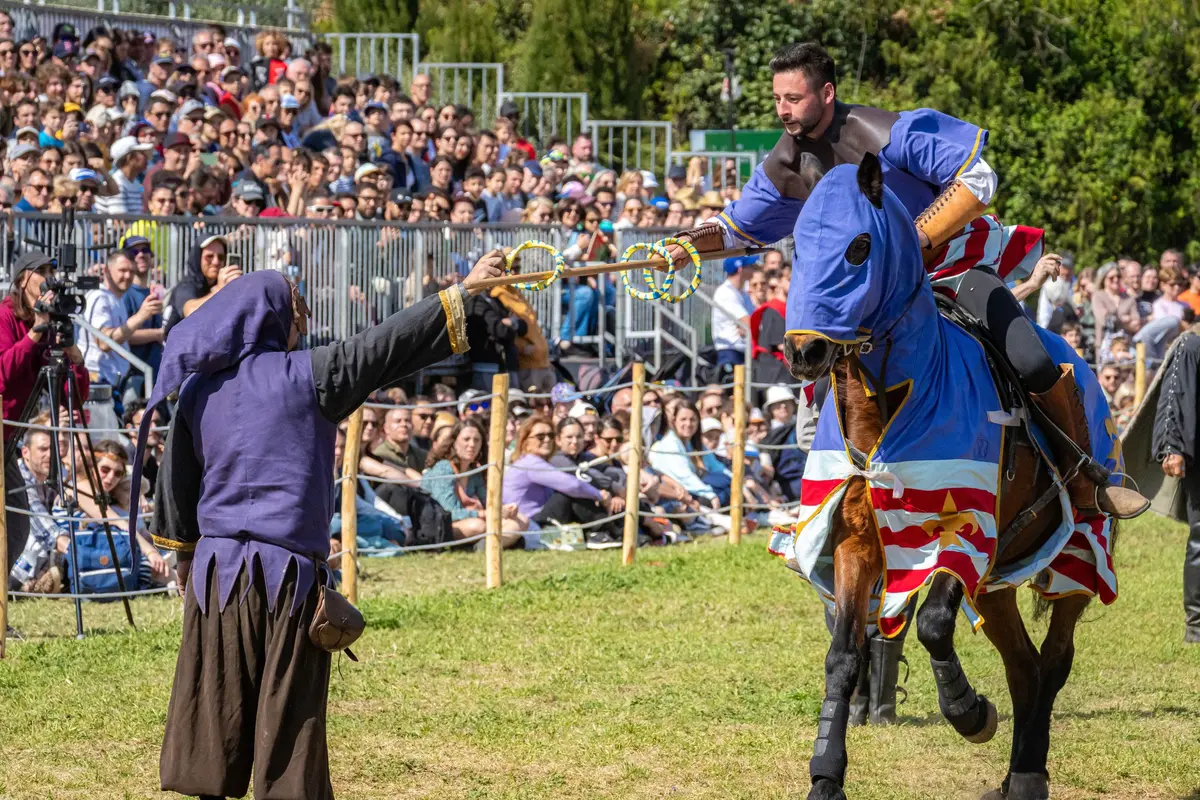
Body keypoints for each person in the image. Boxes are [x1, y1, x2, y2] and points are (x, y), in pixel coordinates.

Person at [668, 39, 1145, 520]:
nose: (782, 111)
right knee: (812, 383)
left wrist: (912, 240)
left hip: (950, 269)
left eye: (793, 99)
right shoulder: (786, 163)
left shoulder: (889, 131)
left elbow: (979, 178)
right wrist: (686, 245)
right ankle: (825, 511)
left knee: (1029, 355)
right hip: (868, 297)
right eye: (777, 99)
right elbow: (737, 228)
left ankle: (1084, 476)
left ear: (827, 92)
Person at [138, 248, 505, 798]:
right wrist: (466, 290)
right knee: (289, 716)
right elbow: (386, 344)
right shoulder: (310, 375)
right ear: (270, 317)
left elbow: (176, 484)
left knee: (214, 710)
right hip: (286, 577)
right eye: (298, 309)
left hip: (216, 574)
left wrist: (186, 559)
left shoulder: (197, 389)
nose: (303, 321)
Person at [503, 416, 621, 546]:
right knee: (568, 494)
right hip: (528, 524)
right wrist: (600, 495)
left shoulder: (534, 461)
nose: (547, 440)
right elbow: (572, 485)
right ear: (525, 441)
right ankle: (599, 532)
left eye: (550, 435)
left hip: (537, 520)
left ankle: (605, 532)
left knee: (576, 492)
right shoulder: (530, 463)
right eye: (540, 437)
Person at [78, 250, 162, 390]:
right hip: (97, 382)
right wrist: (142, 315)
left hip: (112, 382)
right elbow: (104, 342)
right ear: (106, 271)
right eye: (122, 270)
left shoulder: (117, 298)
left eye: (131, 271)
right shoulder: (99, 297)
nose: (128, 276)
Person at [711, 256, 757, 368]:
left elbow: (750, 322)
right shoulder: (725, 292)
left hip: (741, 351)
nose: (754, 269)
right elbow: (748, 322)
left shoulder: (741, 292)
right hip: (730, 353)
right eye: (750, 266)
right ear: (740, 269)